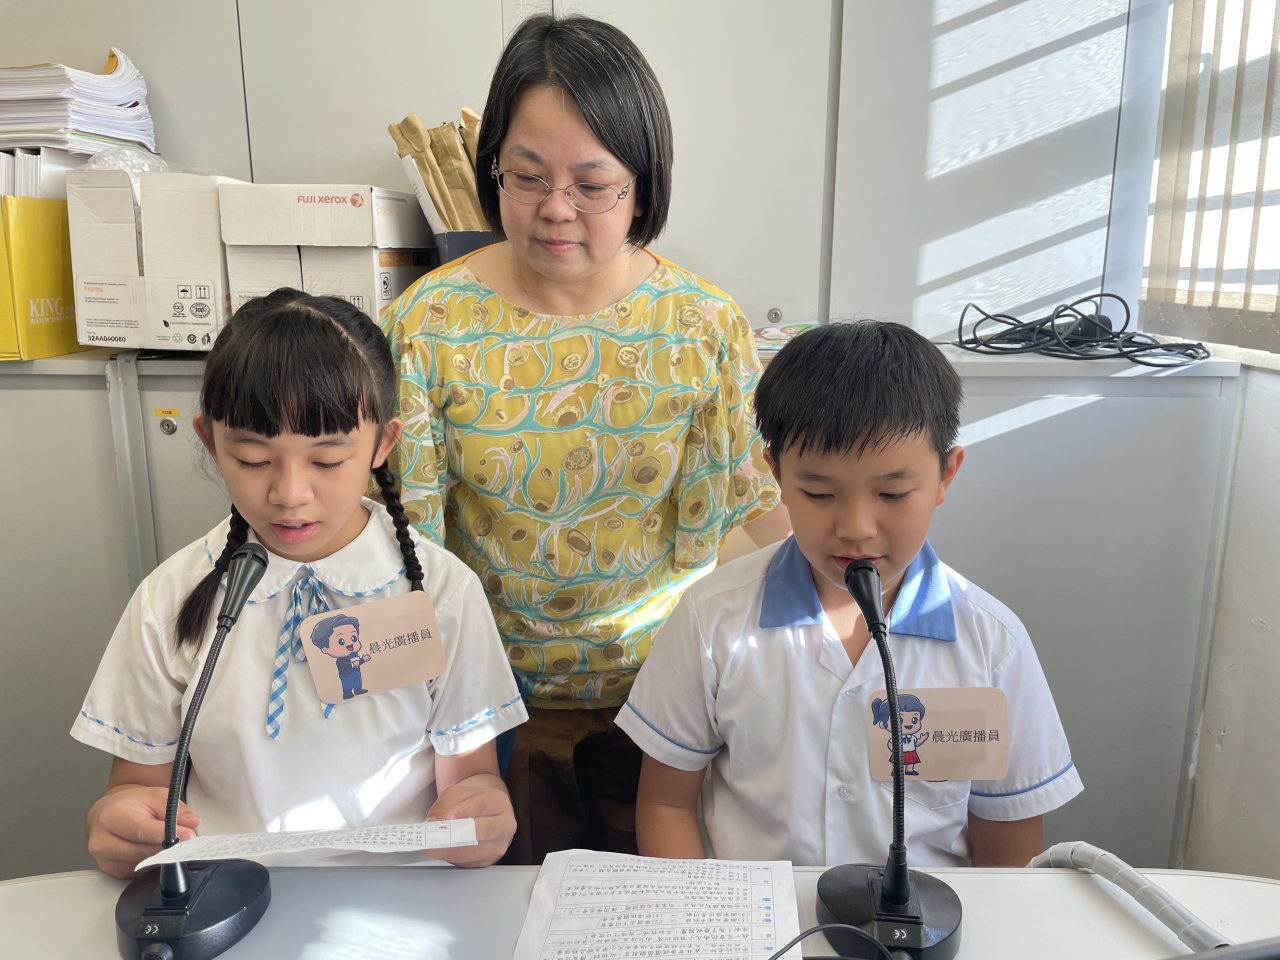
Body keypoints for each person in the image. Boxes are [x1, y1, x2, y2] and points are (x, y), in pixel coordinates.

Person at [381, 14, 789, 864]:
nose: (555, 209)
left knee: (654, 912)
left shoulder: (702, 325)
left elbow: (754, 507)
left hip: (667, 709)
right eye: (526, 176)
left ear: (643, 182)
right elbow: (406, 541)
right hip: (488, 715)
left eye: (592, 184)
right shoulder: (429, 324)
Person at [73, 290, 527, 876]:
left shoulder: (442, 593)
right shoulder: (170, 599)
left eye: (327, 460)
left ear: (383, 445)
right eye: (253, 459)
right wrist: (118, 822)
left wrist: (481, 814)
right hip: (228, 892)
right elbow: (136, 788)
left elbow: (471, 782)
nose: (289, 494)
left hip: (402, 894)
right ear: (210, 441)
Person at [619, 321, 1083, 868]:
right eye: (818, 493)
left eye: (893, 493)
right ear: (776, 474)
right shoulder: (710, 618)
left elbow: (1007, 845)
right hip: (760, 913)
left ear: (945, 475)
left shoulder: (992, 643)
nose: (856, 528)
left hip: (923, 918)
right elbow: (666, 803)